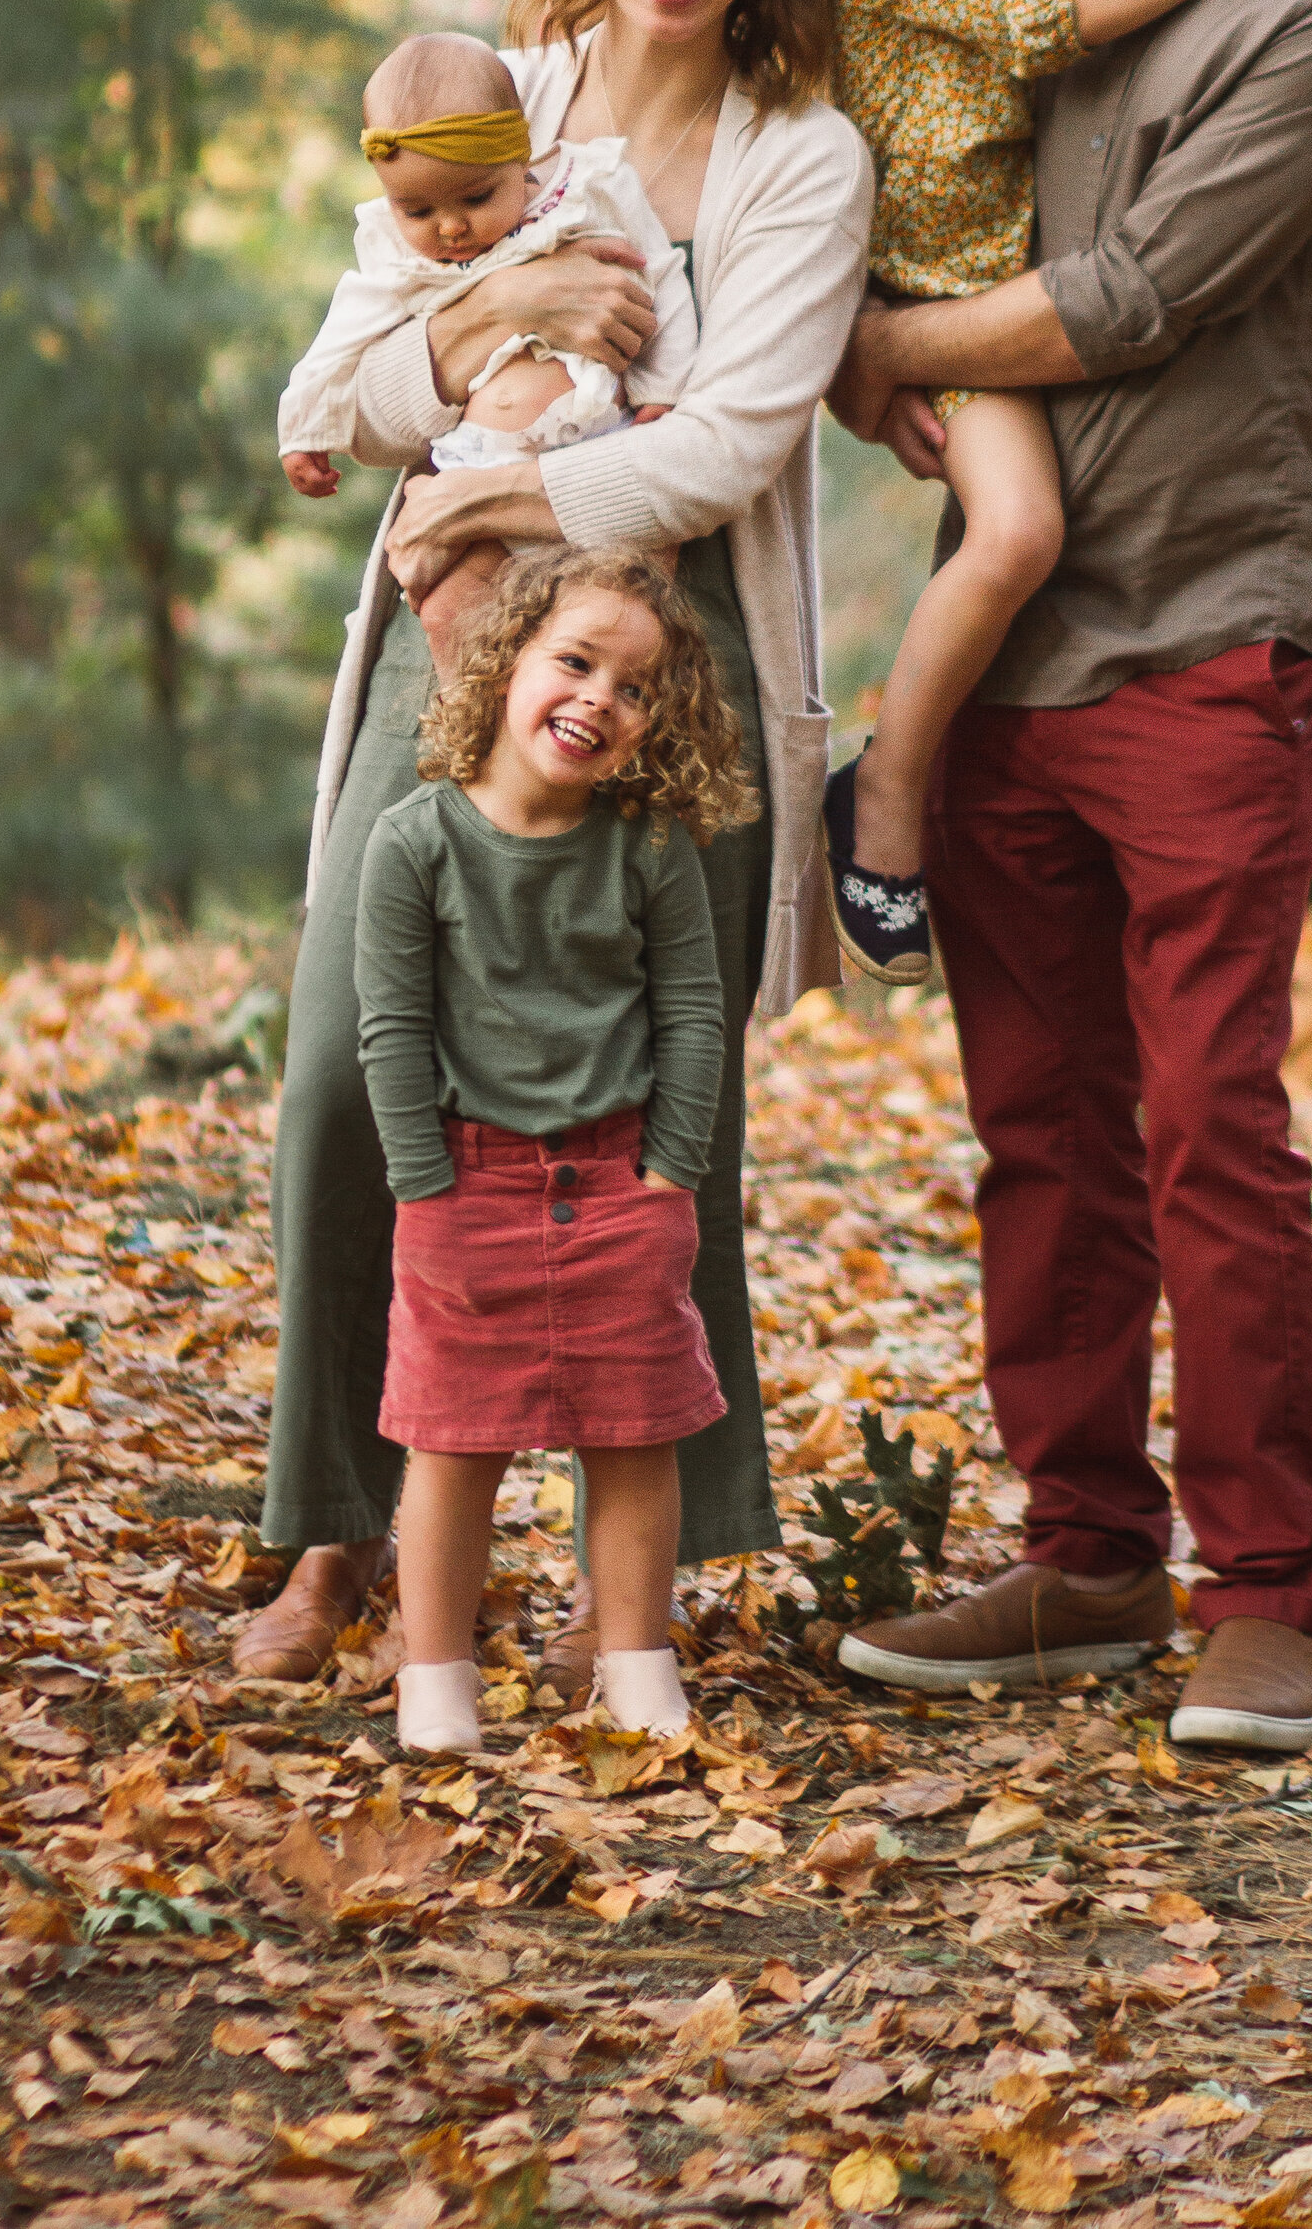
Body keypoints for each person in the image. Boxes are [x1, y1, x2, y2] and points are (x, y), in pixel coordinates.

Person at [829, 0, 1312, 1757]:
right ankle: (1085, 1557)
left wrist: (866, 347)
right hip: (1009, 651)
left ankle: (1268, 1591)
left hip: (1206, 634)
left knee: (1206, 1128)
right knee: (1038, 1133)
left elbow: (1133, 294)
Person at [235, 0, 873, 1692]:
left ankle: (639, 1587)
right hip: (457, 647)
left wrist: (508, 487)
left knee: (648, 1108)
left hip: (665, 665)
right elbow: (338, 391)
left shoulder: (801, 155)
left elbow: (730, 445)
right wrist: (447, 352)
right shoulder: (499, 96)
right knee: (357, 1066)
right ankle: (334, 1535)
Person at [819, 0, 1312, 978]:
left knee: (1013, 537)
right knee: (1015, 535)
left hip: (978, 292)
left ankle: (893, 781)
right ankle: (881, 797)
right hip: (951, 295)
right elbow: (1058, 13)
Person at [356, 548, 758, 1753]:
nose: (598, 698)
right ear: (508, 664)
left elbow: (693, 1014)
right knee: (452, 1438)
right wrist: (425, 1187)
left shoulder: (646, 848)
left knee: (634, 1433)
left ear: (656, 724)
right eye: (574, 662)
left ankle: (638, 1669)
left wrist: (672, 1173)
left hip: (622, 1179)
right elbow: (390, 1030)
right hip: (466, 1183)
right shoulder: (415, 842)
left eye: (636, 689)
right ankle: (437, 1683)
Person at [277, 30, 696, 665]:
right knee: (449, 611)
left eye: (477, 198)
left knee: (629, 613)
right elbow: (342, 335)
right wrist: (303, 425)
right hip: (480, 475)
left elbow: (659, 276)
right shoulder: (396, 254)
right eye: (417, 210)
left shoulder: (587, 192)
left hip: (606, 456)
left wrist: (664, 388)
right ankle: (473, 743)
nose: (450, 227)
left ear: (520, 155)